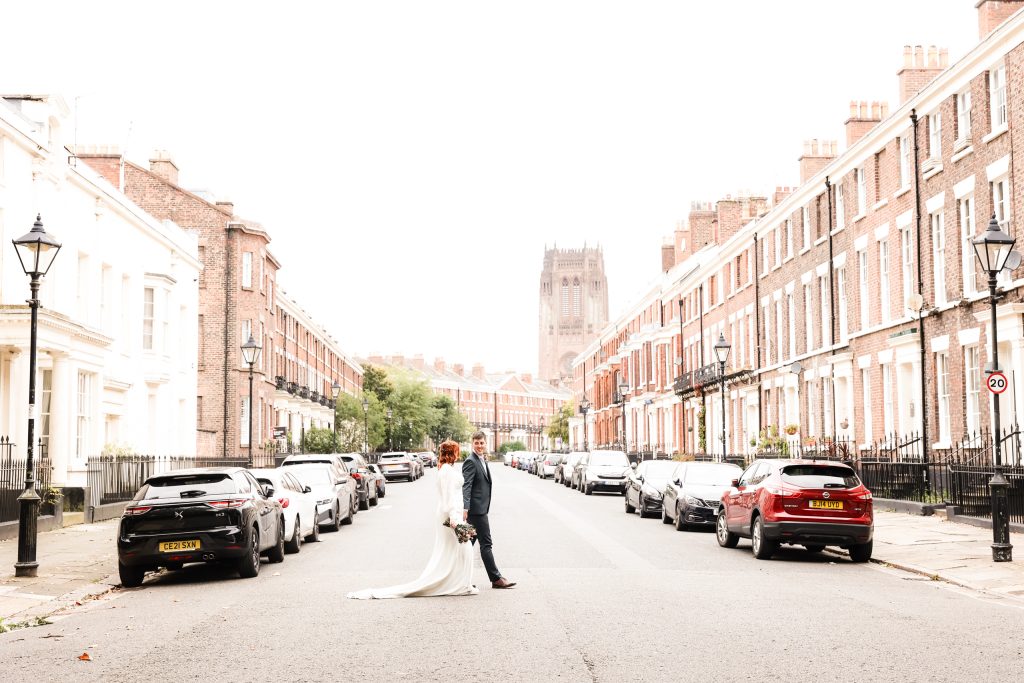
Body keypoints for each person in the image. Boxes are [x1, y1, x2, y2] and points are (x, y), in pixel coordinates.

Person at [346, 440, 477, 599]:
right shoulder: (447, 471)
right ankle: (460, 584)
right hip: (450, 515)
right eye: (456, 451)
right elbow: (449, 497)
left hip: (449, 513)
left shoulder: (445, 469)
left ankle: (459, 582)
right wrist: (454, 519)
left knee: (454, 550)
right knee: (464, 548)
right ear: (452, 453)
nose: (458, 453)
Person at [463, 431, 516, 589]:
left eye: (482, 443)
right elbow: (467, 486)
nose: (479, 446)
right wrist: (465, 508)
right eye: (476, 443)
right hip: (476, 511)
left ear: (486, 443)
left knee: (467, 545)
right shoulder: (470, 461)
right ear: (472, 443)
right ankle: (496, 579)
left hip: (480, 509)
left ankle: (460, 577)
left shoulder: (482, 459)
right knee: (486, 544)